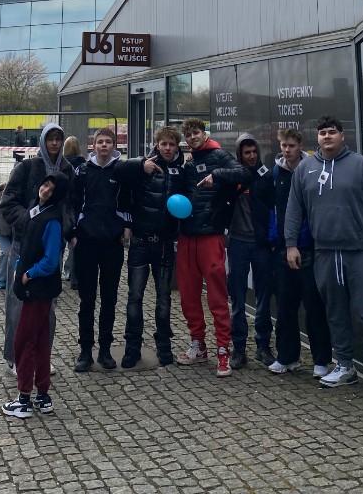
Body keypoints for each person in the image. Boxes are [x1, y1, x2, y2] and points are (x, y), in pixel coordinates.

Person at [285, 116, 363, 403]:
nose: (327, 136)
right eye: (322, 133)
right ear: (317, 138)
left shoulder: (362, 166)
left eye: (332, 132)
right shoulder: (305, 169)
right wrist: (290, 245)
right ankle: (344, 366)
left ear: (342, 136)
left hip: (361, 251)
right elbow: (294, 210)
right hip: (325, 253)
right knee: (335, 312)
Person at [175, 118, 249, 377]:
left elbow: (243, 174)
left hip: (211, 235)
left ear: (204, 133)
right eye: (188, 135)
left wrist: (216, 175)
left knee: (217, 296)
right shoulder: (188, 164)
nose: (192, 137)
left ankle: (223, 350)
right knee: (188, 296)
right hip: (187, 236)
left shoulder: (220, 155)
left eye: (196, 133)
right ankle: (198, 344)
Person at [0, 123, 74, 369]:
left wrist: (66, 228)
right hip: (24, 245)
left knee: (47, 307)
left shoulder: (67, 169)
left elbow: (72, 204)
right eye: (50, 138)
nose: (54, 143)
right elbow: (8, 202)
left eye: (58, 139)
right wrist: (30, 222)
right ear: (43, 140)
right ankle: (15, 357)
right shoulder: (27, 167)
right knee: (18, 304)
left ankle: (42, 358)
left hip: (52, 246)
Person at [114, 125, 186, 368]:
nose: (167, 148)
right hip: (140, 242)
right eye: (163, 144)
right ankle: (132, 347)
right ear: (157, 144)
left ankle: (164, 346)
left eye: (171, 144)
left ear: (177, 146)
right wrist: (139, 166)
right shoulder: (144, 164)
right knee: (135, 296)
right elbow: (119, 173)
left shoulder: (182, 170)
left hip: (165, 244)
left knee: (164, 298)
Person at [1, 172, 70, 419]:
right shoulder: (36, 210)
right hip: (34, 284)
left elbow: (51, 260)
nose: (46, 189)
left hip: (38, 288)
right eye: (45, 184)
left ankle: (24, 399)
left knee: (24, 340)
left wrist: (29, 274)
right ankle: (42, 395)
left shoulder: (52, 219)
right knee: (40, 341)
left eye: (51, 188)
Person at [268, 128, 332, 377]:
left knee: (313, 305)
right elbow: (273, 208)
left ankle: (321, 359)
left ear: (300, 146)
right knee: (285, 305)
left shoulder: (312, 170)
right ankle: (287, 356)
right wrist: (276, 238)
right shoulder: (276, 172)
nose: (287, 150)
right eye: (283, 145)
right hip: (283, 247)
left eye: (291, 146)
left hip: (309, 247)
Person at [71, 127, 131, 372]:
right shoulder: (82, 171)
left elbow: (128, 199)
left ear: (114, 145)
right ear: (93, 145)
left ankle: (105, 350)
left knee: (109, 299)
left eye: (108, 142)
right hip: (86, 242)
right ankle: (85, 351)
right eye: (100, 142)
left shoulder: (121, 170)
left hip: (112, 243)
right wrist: (73, 232)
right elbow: (73, 202)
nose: (104, 145)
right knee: (87, 299)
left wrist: (126, 226)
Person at [226, 134, 276, 370]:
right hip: (237, 242)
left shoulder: (265, 176)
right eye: (247, 153)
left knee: (263, 297)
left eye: (254, 152)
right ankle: (238, 348)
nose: (252, 156)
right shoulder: (233, 176)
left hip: (261, 243)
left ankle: (263, 346)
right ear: (240, 154)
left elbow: (273, 206)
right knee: (237, 297)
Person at [61, 136, 85, 287]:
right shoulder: (83, 165)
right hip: (76, 208)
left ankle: (56, 273)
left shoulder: (61, 164)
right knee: (74, 244)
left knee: (59, 244)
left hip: (62, 207)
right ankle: (71, 273)